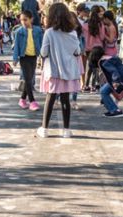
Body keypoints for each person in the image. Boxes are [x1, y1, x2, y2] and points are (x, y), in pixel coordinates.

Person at [36, 2, 83, 139]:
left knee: (50, 98)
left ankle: (44, 129)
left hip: (53, 70)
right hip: (68, 71)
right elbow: (77, 51)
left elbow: (44, 52)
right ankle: (66, 130)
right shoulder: (73, 33)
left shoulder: (49, 33)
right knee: (65, 100)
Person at [13, 10, 43, 111]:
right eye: (21, 20)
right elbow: (16, 46)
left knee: (29, 79)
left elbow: (41, 43)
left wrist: (43, 56)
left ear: (31, 19)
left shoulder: (38, 30)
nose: (23, 22)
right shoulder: (19, 32)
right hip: (24, 57)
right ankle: (32, 101)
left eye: (25, 20)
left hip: (33, 57)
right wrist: (15, 59)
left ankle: (22, 99)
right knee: (28, 79)